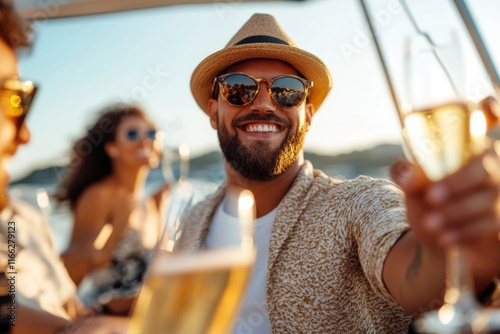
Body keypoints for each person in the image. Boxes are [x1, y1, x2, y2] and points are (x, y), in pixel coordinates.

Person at [183, 13, 500, 333]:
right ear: (213, 112)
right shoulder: (191, 222)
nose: (264, 103)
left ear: (307, 115)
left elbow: (419, 282)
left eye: (287, 91)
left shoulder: (356, 203)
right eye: (239, 89)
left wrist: (462, 252)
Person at [0, 1, 128, 332]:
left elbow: (68, 307)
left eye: (22, 101)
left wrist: (111, 309)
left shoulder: (25, 218)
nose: (25, 134)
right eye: (11, 99)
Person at [55, 104, 169, 315]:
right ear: (112, 148)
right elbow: (66, 276)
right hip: (101, 315)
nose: (145, 140)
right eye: (132, 134)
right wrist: (115, 232)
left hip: (142, 313)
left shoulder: (151, 203)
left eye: (151, 133)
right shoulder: (100, 195)